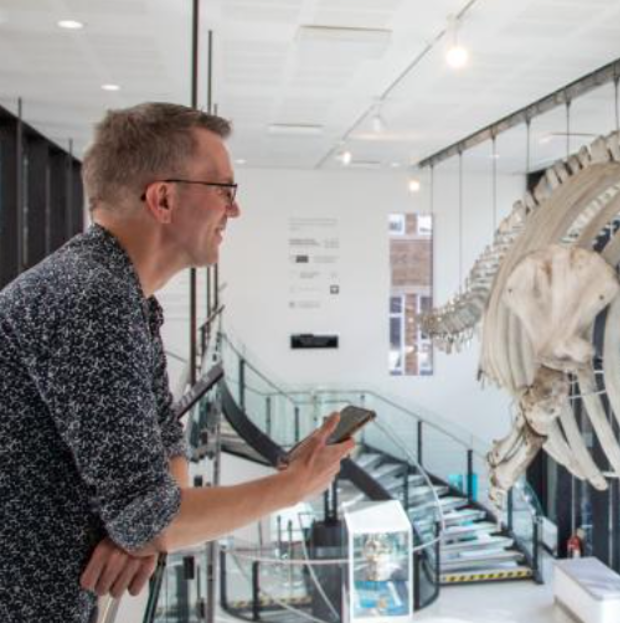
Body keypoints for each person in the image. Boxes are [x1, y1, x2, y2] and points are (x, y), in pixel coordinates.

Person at [0, 102, 354, 621]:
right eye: (224, 191)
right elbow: (152, 518)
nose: (234, 211)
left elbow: (167, 455)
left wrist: (144, 527)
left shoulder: (124, 297)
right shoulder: (89, 299)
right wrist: (290, 487)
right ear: (163, 198)